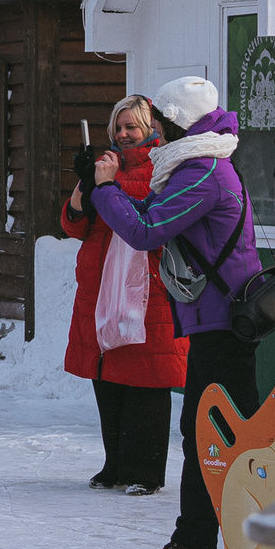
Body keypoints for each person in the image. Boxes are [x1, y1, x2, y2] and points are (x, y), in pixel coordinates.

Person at [87, 75, 263, 549]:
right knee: (213, 431)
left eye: (161, 123)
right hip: (219, 319)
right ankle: (211, 541)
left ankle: (213, 544)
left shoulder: (203, 171)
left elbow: (145, 230)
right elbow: (149, 212)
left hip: (223, 323)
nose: (156, 135)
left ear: (180, 122)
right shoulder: (197, 164)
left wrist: (104, 191)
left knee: (212, 433)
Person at [56, 94, 187, 496]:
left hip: (145, 287)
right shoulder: (103, 167)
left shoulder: (164, 165)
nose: (124, 134)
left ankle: (146, 471)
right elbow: (74, 226)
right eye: (118, 126)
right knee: (108, 376)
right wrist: (83, 189)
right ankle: (114, 464)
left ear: (150, 128)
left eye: (132, 126)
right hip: (101, 287)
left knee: (147, 380)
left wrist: (105, 184)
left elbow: (143, 209)